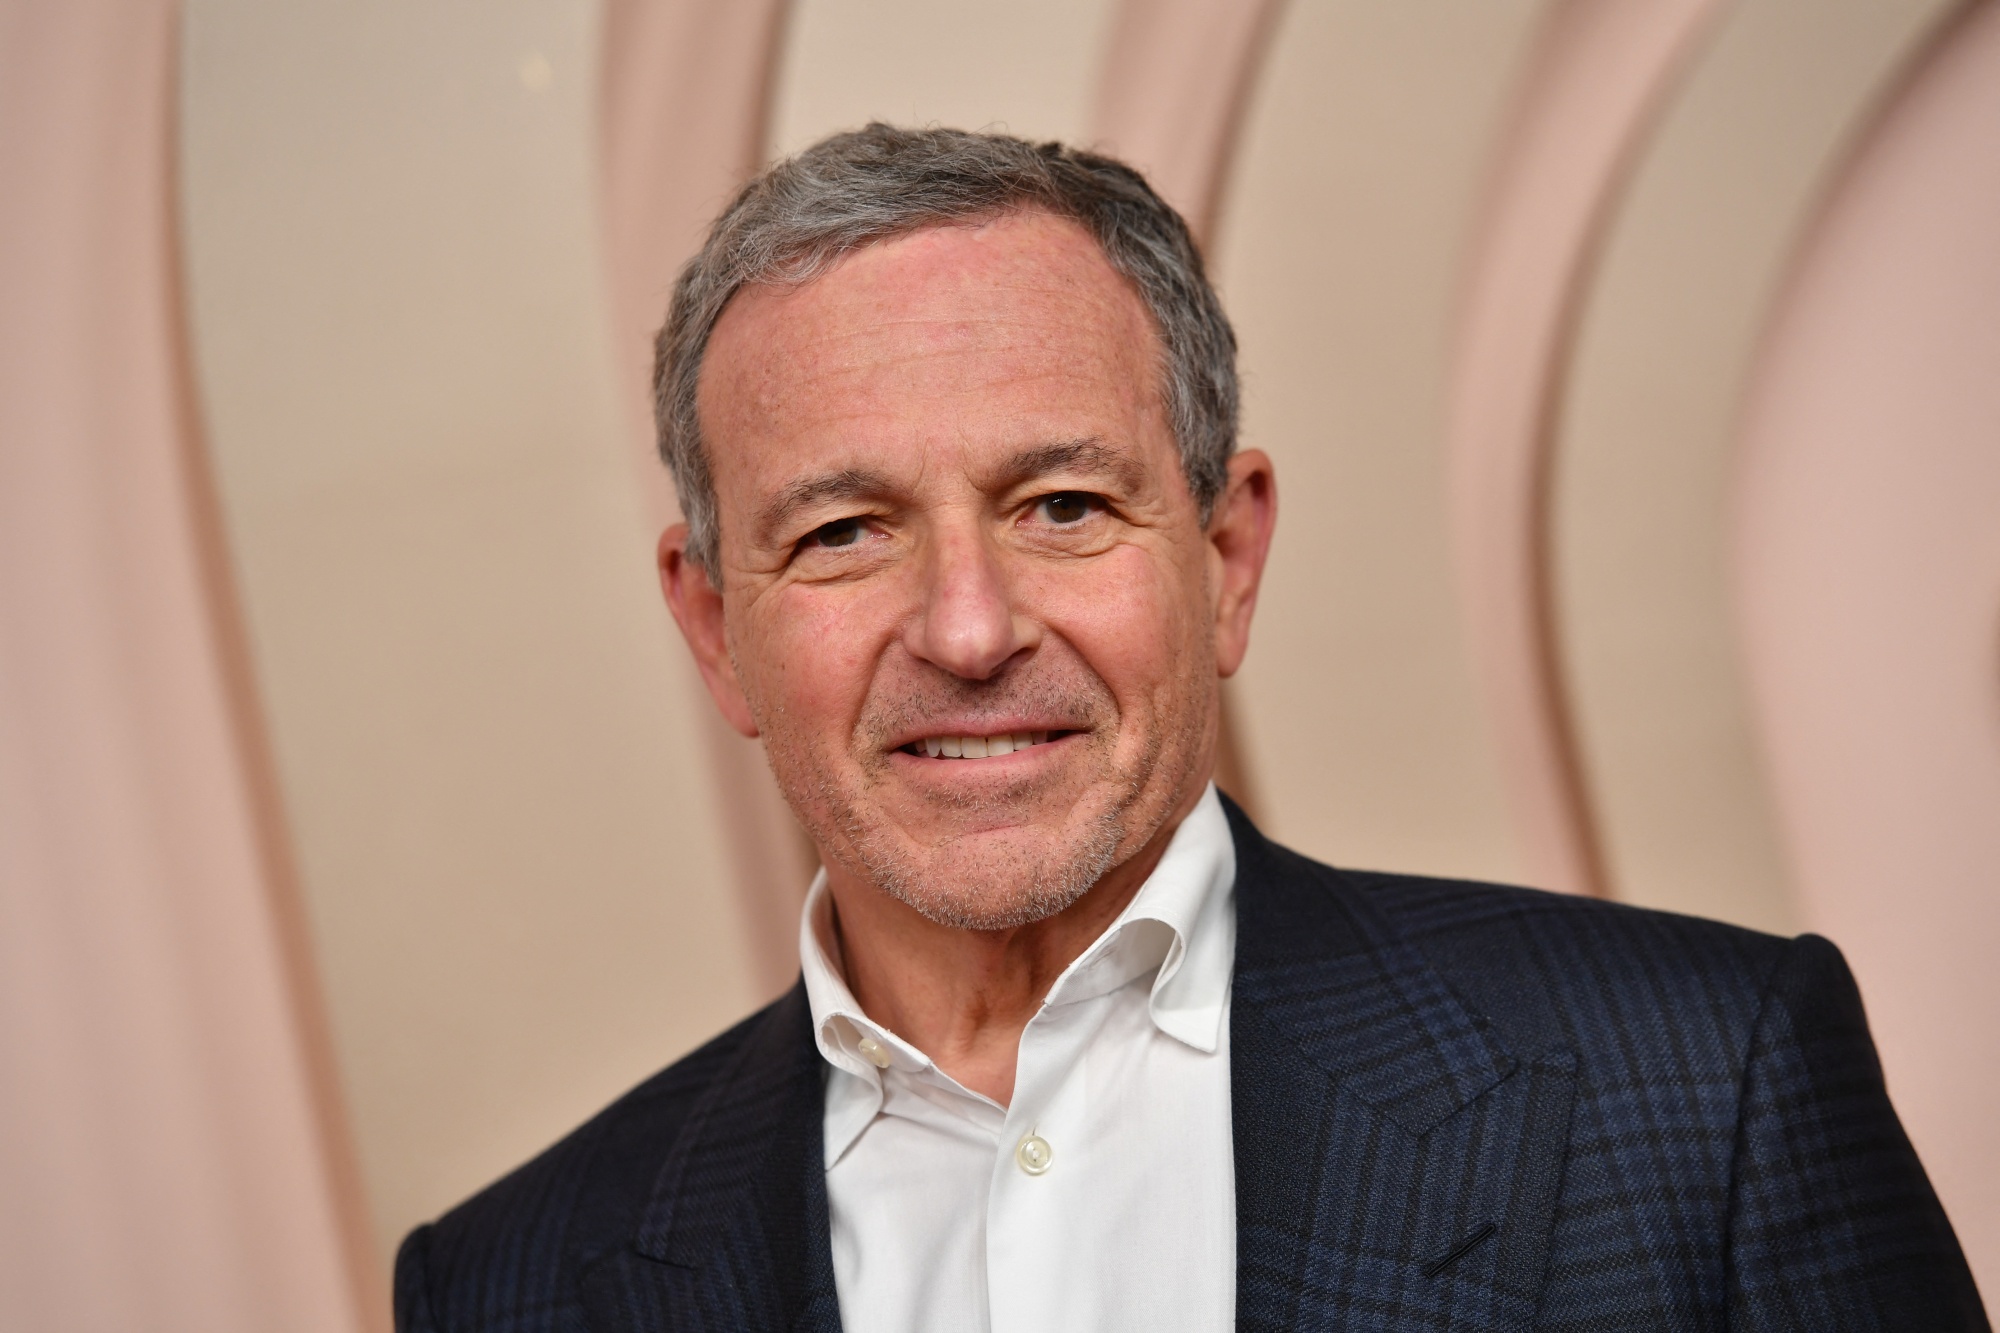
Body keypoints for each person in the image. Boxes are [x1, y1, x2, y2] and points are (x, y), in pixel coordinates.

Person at [392, 125, 1985, 1333]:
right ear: (713, 626)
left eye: (1063, 503)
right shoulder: (509, 1285)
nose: (968, 628)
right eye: (844, 533)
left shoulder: (1710, 1093)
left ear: (1226, 560)